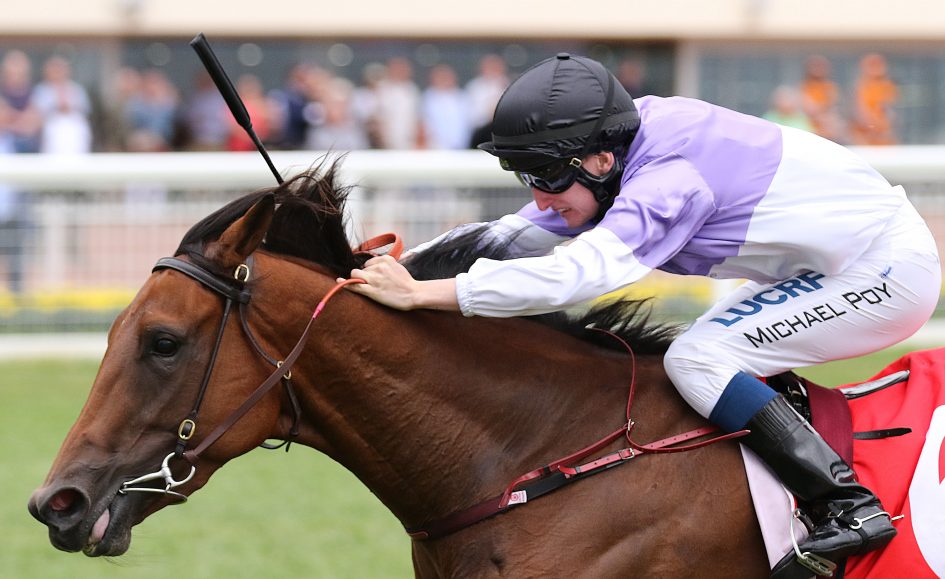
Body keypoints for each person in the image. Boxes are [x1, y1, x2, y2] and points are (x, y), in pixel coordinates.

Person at [343, 53, 941, 576]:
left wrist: (426, 295)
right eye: (527, 177)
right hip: (824, 266)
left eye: (546, 177)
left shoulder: (668, 179)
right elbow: (514, 233)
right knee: (704, 355)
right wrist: (393, 265)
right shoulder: (617, 144)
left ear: (600, 160)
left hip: (883, 272)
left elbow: (578, 275)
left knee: (697, 359)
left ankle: (846, 505)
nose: (539, 197)